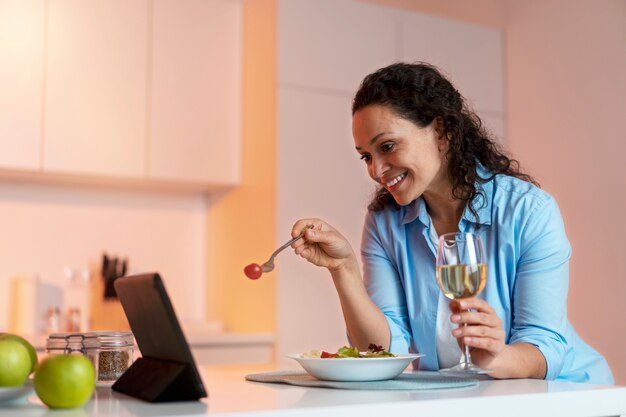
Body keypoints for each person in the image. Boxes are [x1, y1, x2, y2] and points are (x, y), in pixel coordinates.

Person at [290, 62, 613, 384]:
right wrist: (343, 268)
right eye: (366, 156)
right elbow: (381, 350)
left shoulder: (528, 210)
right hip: (462, 393)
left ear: (442, 131)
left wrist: (496, 357)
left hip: (564, 392)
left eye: (387, 146)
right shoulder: (385, 223)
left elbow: (546, 346)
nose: (376, 169)